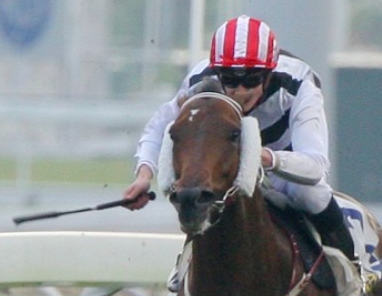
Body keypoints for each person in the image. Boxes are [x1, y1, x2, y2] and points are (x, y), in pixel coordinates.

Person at [123, 15, 357, 268]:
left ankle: (351, 269)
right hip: (226, 169)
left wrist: (263, 156)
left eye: (251, 80)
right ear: (218, 73)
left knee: (312, 195)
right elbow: (160, 127)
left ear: (269, 74)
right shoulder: (200, 80)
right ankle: (183, 274)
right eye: (230, 80)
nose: (240, 91)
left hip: (284, 168)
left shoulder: (299, 83)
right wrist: (144, 176)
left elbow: (316, 165)